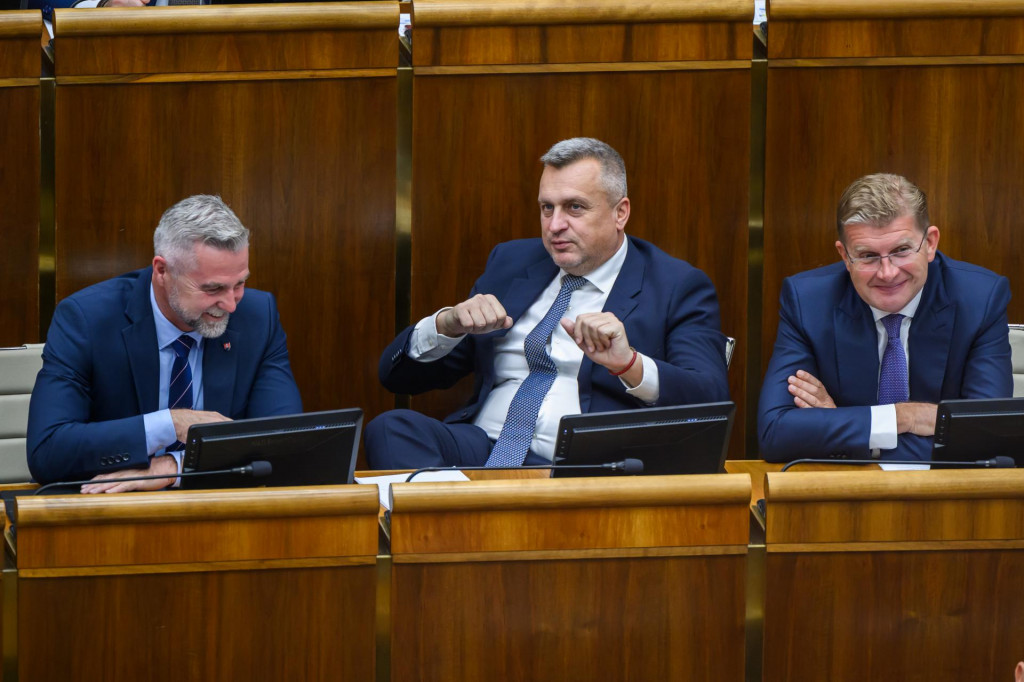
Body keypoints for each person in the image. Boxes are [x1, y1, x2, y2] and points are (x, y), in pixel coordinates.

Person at [366, 137, 730, 470]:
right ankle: (453, 523)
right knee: (391, 428)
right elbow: (395, 377)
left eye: (574, 208)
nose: (555, 225)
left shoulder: (676, 285)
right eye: (546, 208)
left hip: (583, 463)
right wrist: (447, 325)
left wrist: (628, 364)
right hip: (484, 447)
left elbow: (711, 402)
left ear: (620, 213)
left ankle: (464, 523)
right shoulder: (510, 263)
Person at [27, 195, 302, 491]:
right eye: (213, 288)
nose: (231, 304)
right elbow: (48, 451)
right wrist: (169, 424)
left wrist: (173, 467)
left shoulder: (258, 317)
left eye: (240, 284)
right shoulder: (87, 320)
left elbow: (284, 444)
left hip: (221, 513)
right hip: (112, 515)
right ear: (162, 271)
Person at [758, 173, 1011, 462]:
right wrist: (906, 417)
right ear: (844, 256)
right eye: (867, 256)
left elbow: (990, 438)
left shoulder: (980, 299)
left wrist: (841, 425)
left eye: (901, 250)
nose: (887, 272)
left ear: (930, 243)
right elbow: (776, 434)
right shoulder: (807, 302)